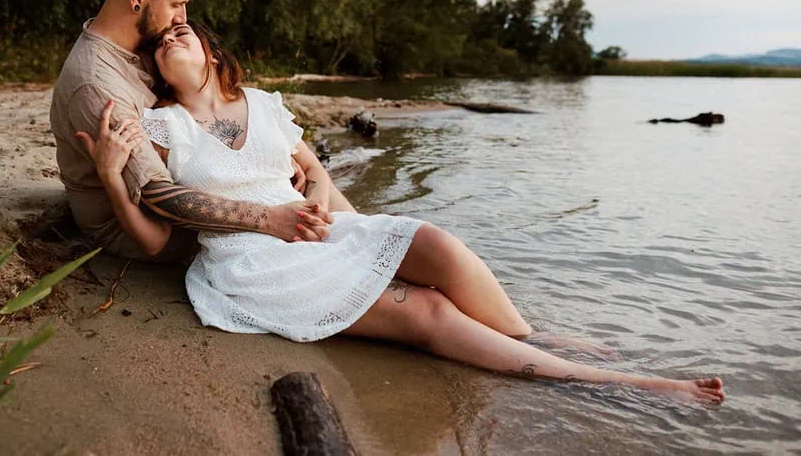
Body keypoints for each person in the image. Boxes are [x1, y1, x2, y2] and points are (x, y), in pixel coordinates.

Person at [76, 21, 727, 404]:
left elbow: (314, 170)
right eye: (159, 42)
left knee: (437, 244)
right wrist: (110, 176)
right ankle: (616, 380)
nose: (168, 39)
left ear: (215, 54)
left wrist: (328, 206)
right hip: (253, 262)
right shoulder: (162, 125)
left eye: (182, 32)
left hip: (317, 228)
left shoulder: (267, 104)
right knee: (428, 310)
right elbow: (159, 236)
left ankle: (531, 339)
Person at [50, 0, 353, 262]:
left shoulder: (141, 44)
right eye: (176, 4)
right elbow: (160, 196)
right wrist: (269, 216)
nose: (182, 18)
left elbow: (204, 99)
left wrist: (265, 160)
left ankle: (365, 232)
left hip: (187, 185)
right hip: (142, 225)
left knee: (325, 204)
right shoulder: (96, 83)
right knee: (311, 232)